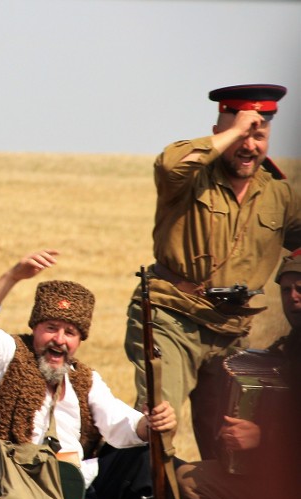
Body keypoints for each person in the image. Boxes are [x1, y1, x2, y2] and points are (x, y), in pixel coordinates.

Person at [123, 84, 301, 460]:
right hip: (172, 317)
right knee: (159, 426)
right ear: (220, 131)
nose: (250, 146)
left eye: (260, 136)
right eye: (241, 134)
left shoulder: (280, 196)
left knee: (233, 445)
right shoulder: (190, 179)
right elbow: (170, 163)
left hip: (231, 332)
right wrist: (236, 130)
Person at [0, 249, 178, 499]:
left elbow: (120, 423)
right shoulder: (4, 357)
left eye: (70, 332)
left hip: (79, 485)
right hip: (30, 491)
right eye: (51, 327)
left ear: (79, 340)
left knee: (149, 460)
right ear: (35, 327)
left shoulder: (83, 379)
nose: (59, 339)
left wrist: (151, 423)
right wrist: (12, 277)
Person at [175, 250, 301, 499]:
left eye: (300, 288)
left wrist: (263, 437)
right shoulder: (290, 346)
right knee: (190, 480)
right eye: (286, 289)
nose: (293, 297)